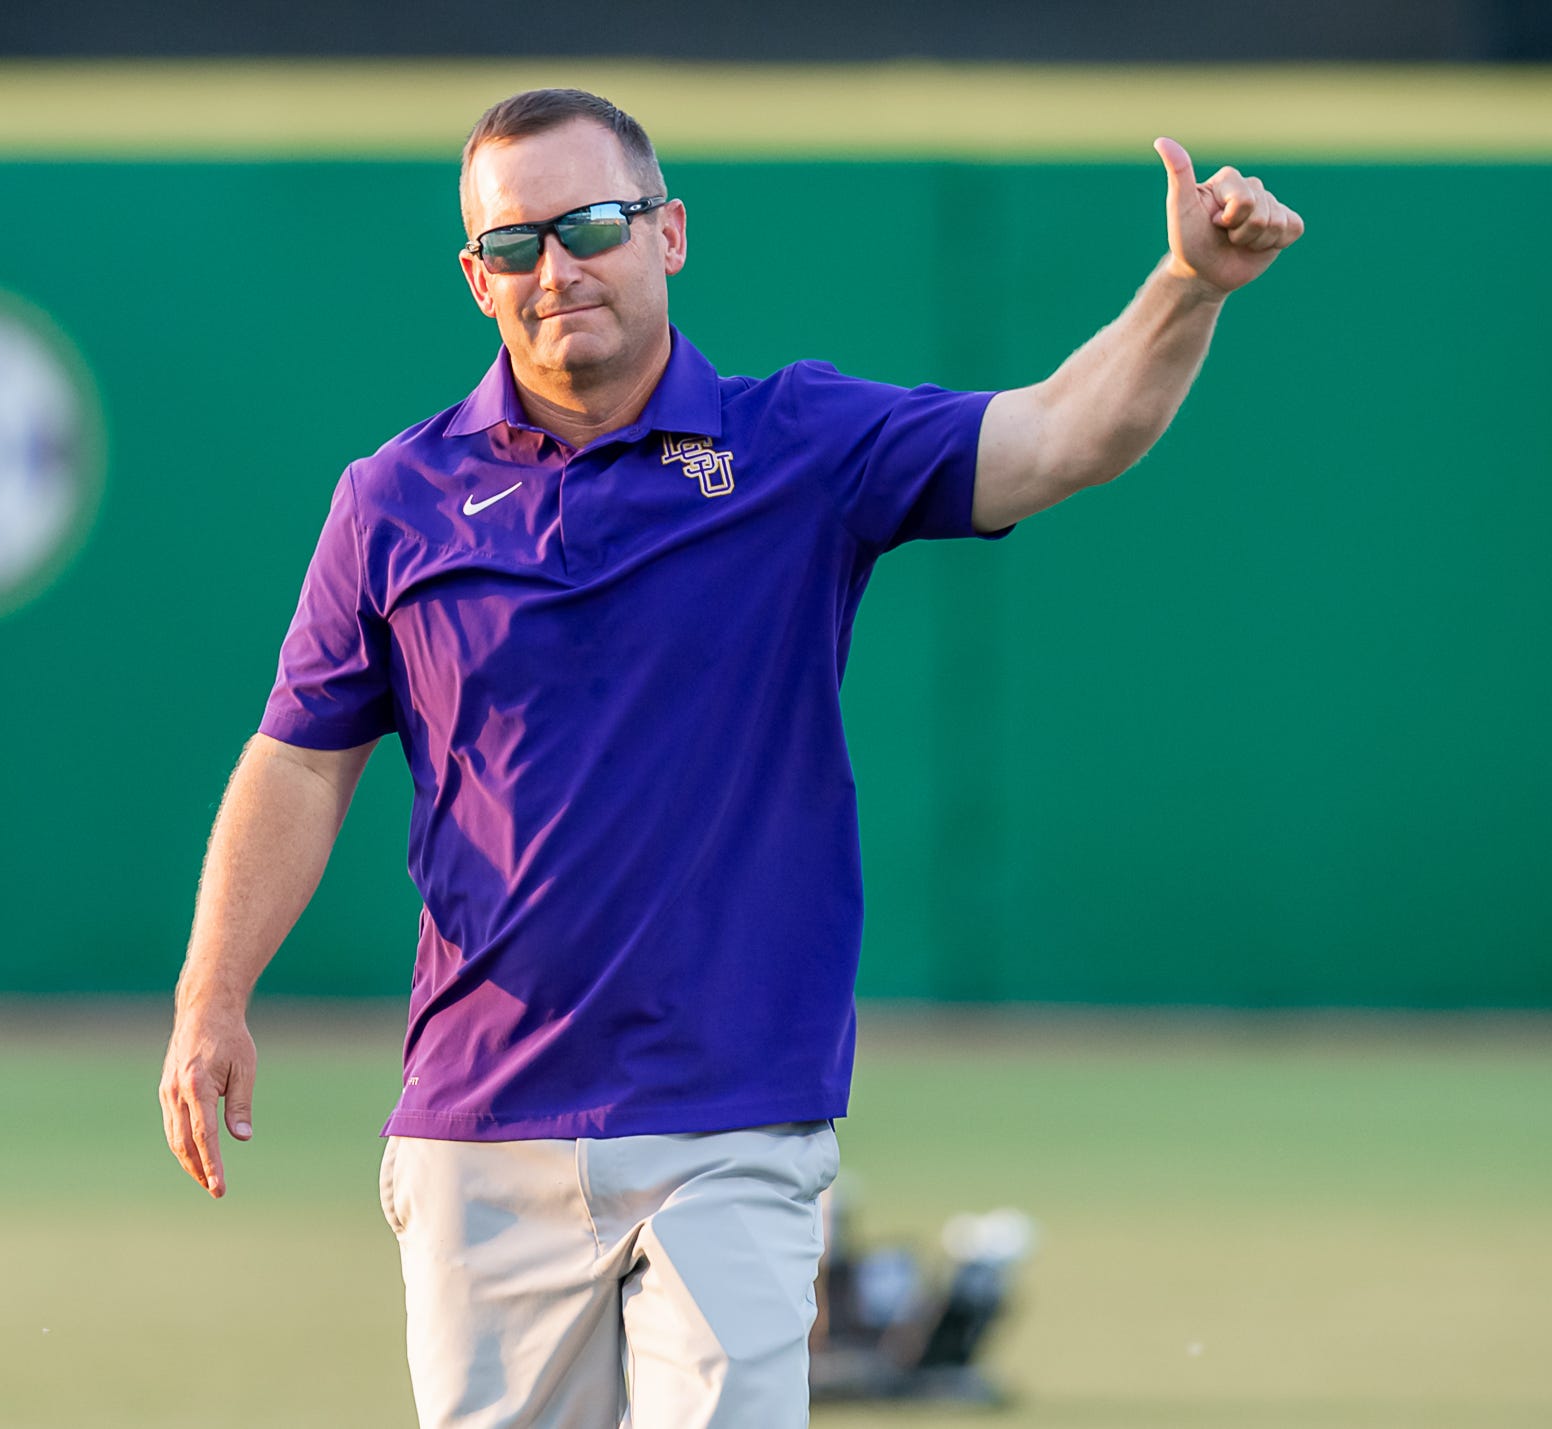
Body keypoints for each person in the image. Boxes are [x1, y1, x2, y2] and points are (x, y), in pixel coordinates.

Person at [159, 87, 1303, 1428]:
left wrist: (1187, 285)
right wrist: (212, 993)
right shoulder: (393, 499)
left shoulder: (797, 446)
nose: (557, 267)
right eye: (516, 244)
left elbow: (1064, 434)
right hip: (479, 1127)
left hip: (732, 1117)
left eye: (591, 224)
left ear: (670, 233)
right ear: (477, 278)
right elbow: (299, 760)